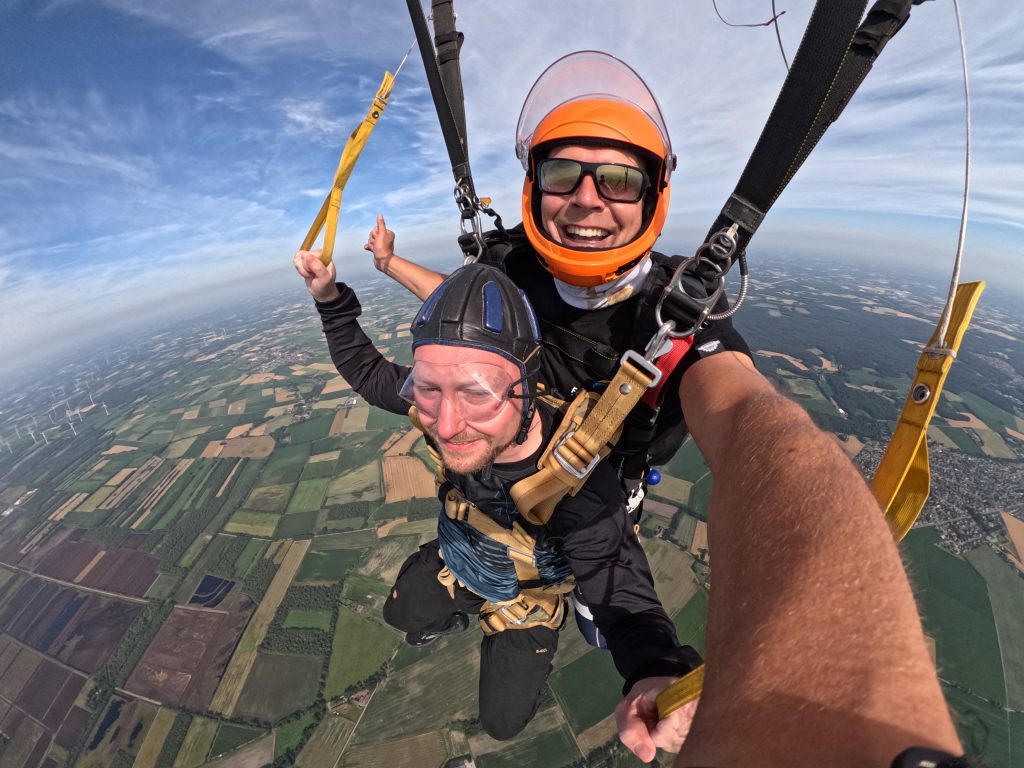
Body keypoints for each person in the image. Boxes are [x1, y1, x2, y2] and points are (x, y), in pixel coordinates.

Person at [344, 50, 967, 766]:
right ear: (533, 187)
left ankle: (541, 608)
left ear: (653, 195)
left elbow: (754, 430)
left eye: (619, 180)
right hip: (484, 504)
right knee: (405, 607)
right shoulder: (507, 266)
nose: (587, 198)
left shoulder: (675, 316)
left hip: (587, 523)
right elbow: (462, 310)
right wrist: (389, 264)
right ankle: (463, 594)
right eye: (562, 174)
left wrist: (844, 684)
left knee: (512, 711)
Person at [293, 255, 701, 744]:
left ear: (526, 386)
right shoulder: (442, 406)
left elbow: (621, 593)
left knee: (501, 724)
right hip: (463, 558)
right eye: (428, 389)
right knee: (398, 614)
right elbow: (367, 372)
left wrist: (654, 669)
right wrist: (328, 298)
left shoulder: (577, 484)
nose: (447, 424)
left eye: (477, 393)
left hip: (528, 599)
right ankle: (457, 610)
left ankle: (512, 624)